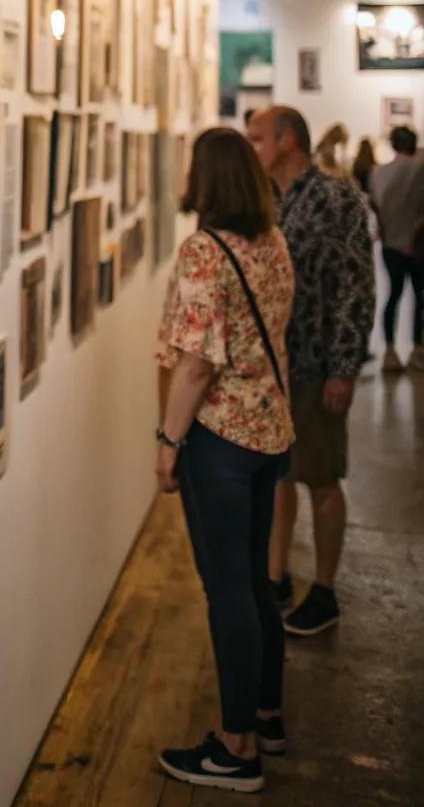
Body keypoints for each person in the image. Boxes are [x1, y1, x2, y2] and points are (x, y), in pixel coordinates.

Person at [155, 128, 294, 792]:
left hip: (222, 441)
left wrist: (166, 441)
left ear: (206, 179)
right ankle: (266, 713)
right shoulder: (270, 241)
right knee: (258, 582)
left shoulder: (205, 251)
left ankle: (236, 749)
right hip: (270, 432)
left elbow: (195, 362)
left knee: (227, 588)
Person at [247, 106, 374, 638]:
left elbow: (356, 285)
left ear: (288, 140)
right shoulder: (267, 200)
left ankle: (324, 588)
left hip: (319, 363)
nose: (252, 146)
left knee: (321, 476)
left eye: (258, 138)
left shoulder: (335, 196)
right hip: (275, 365)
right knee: (280, 476)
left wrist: (343, 369)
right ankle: (276, 576)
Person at [370, 125, 424, 373]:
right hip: (416, 243)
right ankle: (417, 349)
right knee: (419, 297)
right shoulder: (419, 168)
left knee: (393, 296)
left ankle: (389, 351)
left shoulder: (378, 173)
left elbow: (377, 209)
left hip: (390, 243)